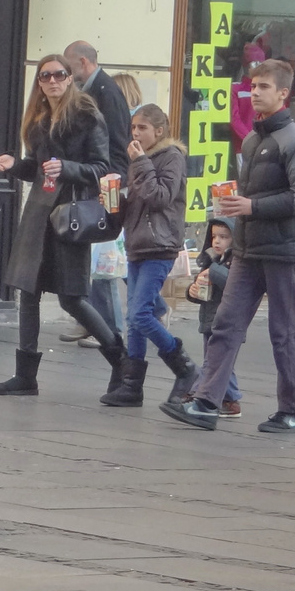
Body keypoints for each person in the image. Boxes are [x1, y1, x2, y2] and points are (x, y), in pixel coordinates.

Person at [161, 58, 295, 433]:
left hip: (282, 251)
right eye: (253, 86)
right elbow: (253, 195)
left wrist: (251, 206)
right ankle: (206, 401)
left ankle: (294, 409)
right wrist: (235, 207)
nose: (255, 92)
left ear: (283, 93)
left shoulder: (294, 140)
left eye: (264, 87)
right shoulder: (251, 139)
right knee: (224, 325)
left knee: (286, 331)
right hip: (247, 250)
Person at [0, 53, 123, 396]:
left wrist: (66, 167)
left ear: (70, 78)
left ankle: (122, 363)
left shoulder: (86, 115)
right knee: (28, 291)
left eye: (59, 75)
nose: (52, 81)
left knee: (72, 298)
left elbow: (101, 167)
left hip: (71, 215)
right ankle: (25, 376)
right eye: (45, 76)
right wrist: (14, 165)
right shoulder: (37, 119)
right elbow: (37, 167)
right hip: (39, 212)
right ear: (39, 82)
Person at [101, 105, 197, 408]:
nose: (135, 134)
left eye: (142, 128)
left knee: (141, 313)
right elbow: (139, 203)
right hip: (137, 243)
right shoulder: (140, 161)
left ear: (159, 131)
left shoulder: (172, 157)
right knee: (134, 317)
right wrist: (114, 200)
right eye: (133, 128)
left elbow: (160, 197)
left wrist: (141, 162)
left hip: (160, 245)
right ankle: (132, 385)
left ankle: (185, 368)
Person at [66, 41, 132, 345]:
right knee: (96, 252)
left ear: (82, 62)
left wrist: (112, 183)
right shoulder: (93, 89)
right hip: (97, 179)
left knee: (103, 253)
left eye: (68, 68)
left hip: (106, 182)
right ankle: (92, 319)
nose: (67, 75)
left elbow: (117, 141)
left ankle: (108, 326)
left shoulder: (105, 91)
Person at [188, 217, 243, 418]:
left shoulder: (235, 262)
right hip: (209, 319)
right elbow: (203, 288)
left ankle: (203, 393)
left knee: (215, 362)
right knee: (215, 361)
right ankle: (228, 398)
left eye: (224, 237)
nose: (217, 241)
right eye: (214, 237)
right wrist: (193, 291)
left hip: (226, 321)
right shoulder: (211, 260)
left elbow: (232, 283)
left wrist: (213, 271)